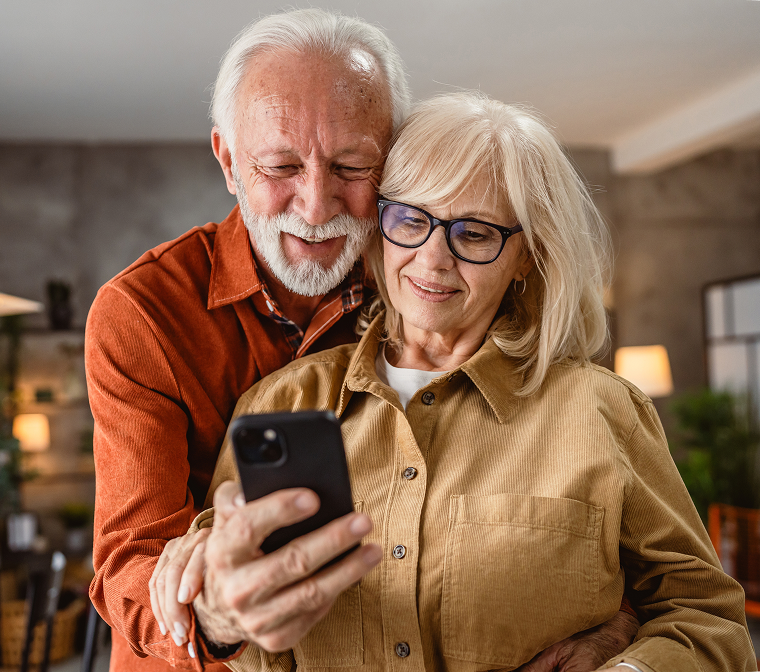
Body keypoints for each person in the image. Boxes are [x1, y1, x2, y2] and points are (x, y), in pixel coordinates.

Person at [86, 9, 638, 672]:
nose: (316, 206)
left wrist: (618, 623)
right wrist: (213, 615)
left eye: (351, 166)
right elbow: (129, 561)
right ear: (229, 161)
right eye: (280, 166)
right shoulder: (142, 312)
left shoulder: (426, 270)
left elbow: (583, 508)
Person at [185, 92, 757, 671]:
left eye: (475, 234)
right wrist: (219, 612)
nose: (432, 261)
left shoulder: (600, 409)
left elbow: (706, 617)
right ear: (380, 227)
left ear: (529, 254)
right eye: (411, 219)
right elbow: (230, 634)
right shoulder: (281, 403)